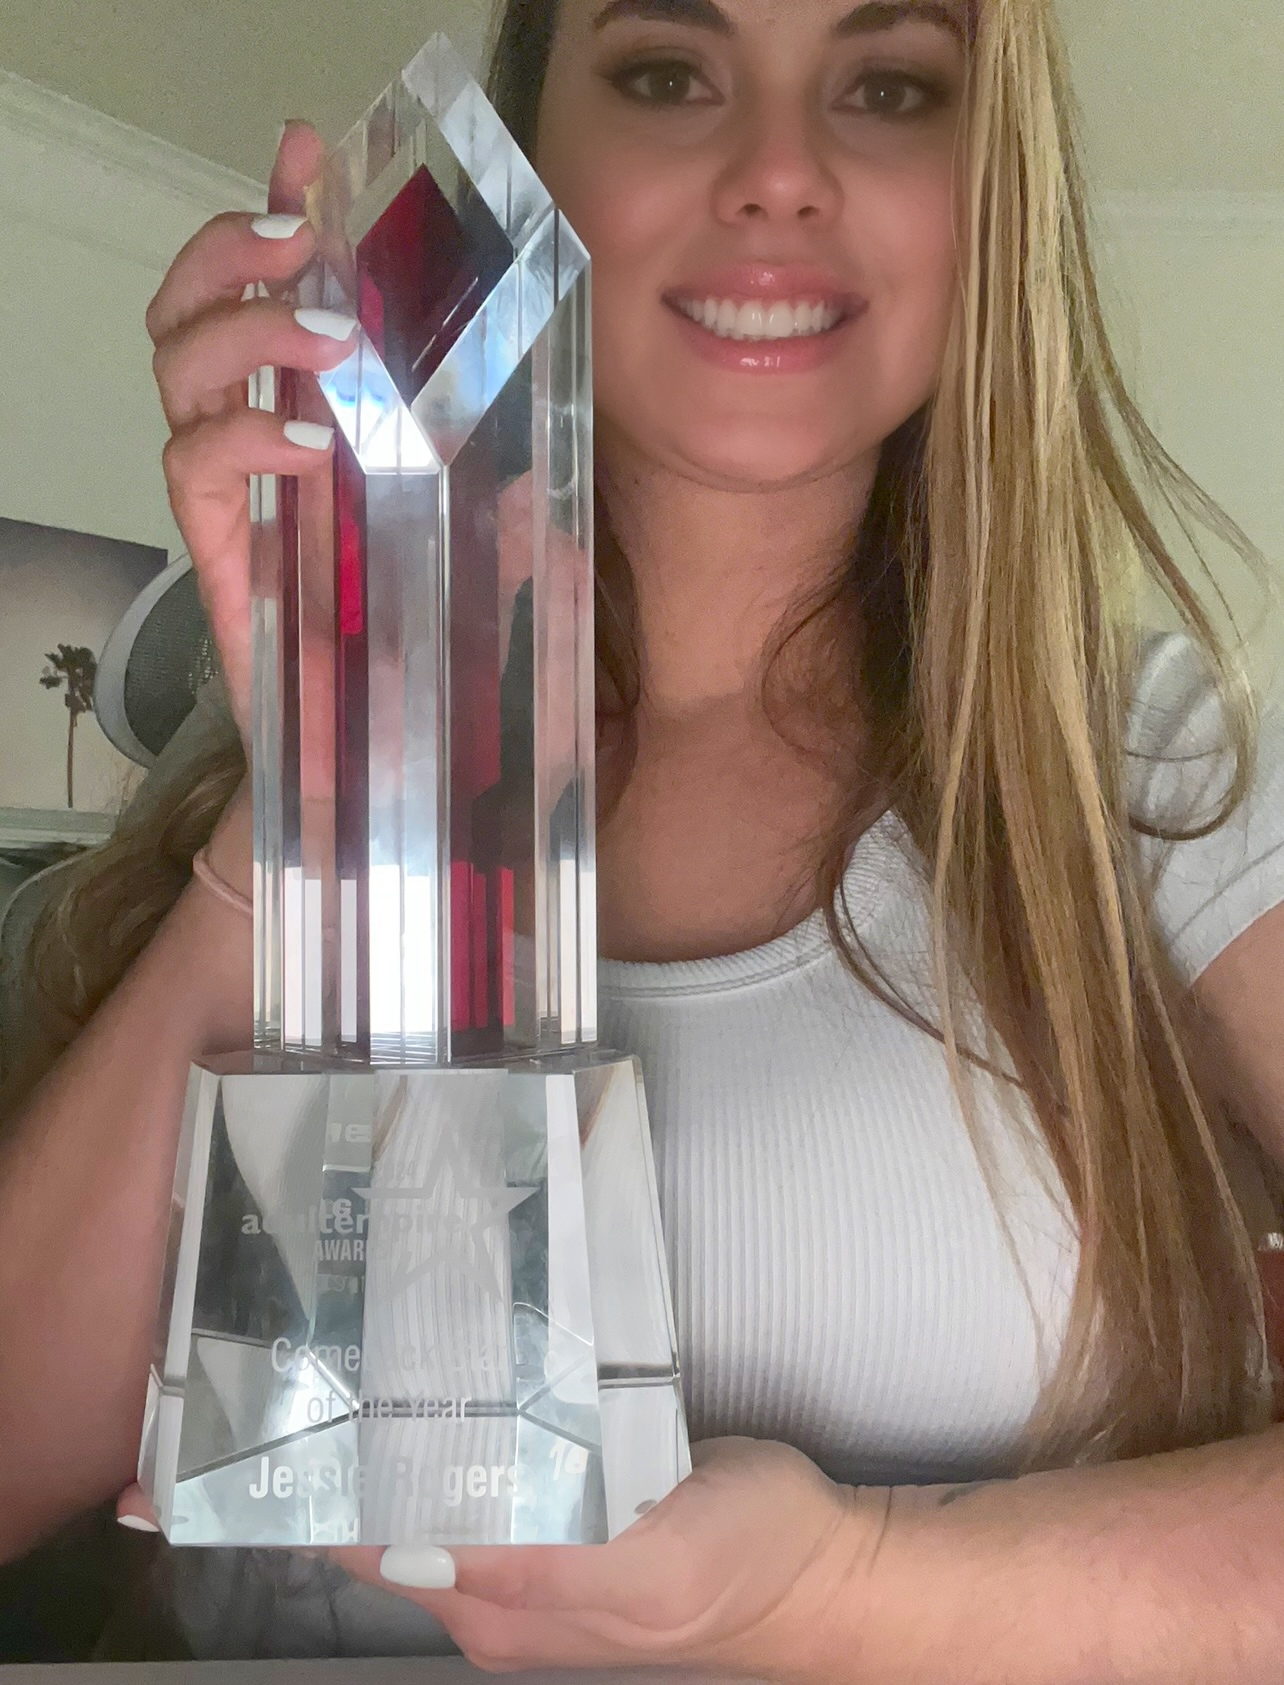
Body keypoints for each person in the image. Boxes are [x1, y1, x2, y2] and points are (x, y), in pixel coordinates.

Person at [3, 0, 1284, 1673]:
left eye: (889, 85)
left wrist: (839, 1584)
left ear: (996, 189)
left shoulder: (1149, 765)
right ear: (530, 161)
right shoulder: (280, 742)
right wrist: (334, 765)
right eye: (670, 72)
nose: (776, 170)